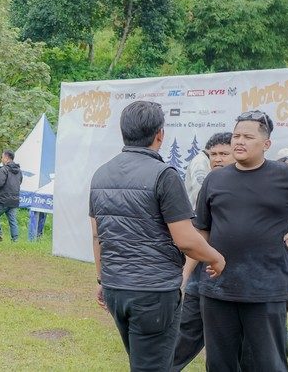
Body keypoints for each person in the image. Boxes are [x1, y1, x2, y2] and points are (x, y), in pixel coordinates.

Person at [194, 110, 288, 371]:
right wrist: (194, 266)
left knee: (268, 363)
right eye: (236, 136)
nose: (239, 141)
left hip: (266, 288)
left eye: (248, 137)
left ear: (266, 144)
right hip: (218, 288)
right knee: (219, 364)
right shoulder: (215, 179)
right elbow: (202, 229)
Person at [90, 100, 226, 372]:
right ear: (160, 134)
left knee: (142, 361)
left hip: (116, 288)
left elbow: (97, 236)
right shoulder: (164, 175)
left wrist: (102, 279)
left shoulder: (101, 174)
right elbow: (185, 239)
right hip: (153, 292)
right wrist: (216, 258)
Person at [172, 131, 233, 371]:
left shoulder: (252, 188)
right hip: (201, 279)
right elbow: (199, 234)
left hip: (235, 285)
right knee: (183, 338)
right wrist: (185, 276)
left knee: (226, 350)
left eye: (224, 153)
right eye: (213, 154)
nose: (217, 159)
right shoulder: (207, 187)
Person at [0, 150, 21, 242]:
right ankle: (15, 239)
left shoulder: (3, 169)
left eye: (2, 157)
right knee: (12, 220)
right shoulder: (19, 171)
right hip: (14, 199)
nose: (1, 159)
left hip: (3, 199)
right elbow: (20, 182)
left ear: (7, 158)